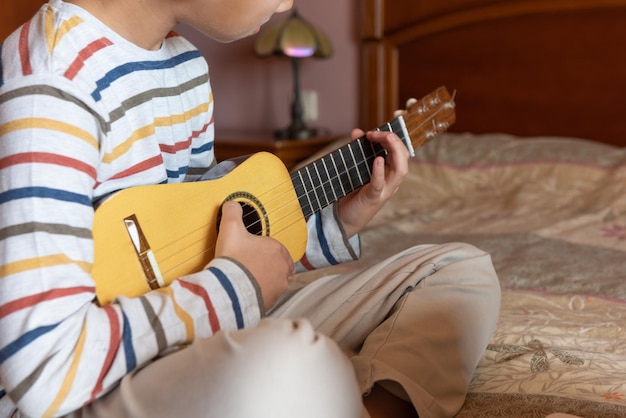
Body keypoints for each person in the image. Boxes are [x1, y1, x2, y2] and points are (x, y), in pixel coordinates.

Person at [0, 0, 501, 417]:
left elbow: (199, 242)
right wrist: (235, 285)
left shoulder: (185, 67)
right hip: (85, 389)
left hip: (186, 336)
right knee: (294, 361)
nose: (287, 4)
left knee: (457, 276)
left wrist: (339, 218)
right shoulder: (52, 84)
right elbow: (43, 370)